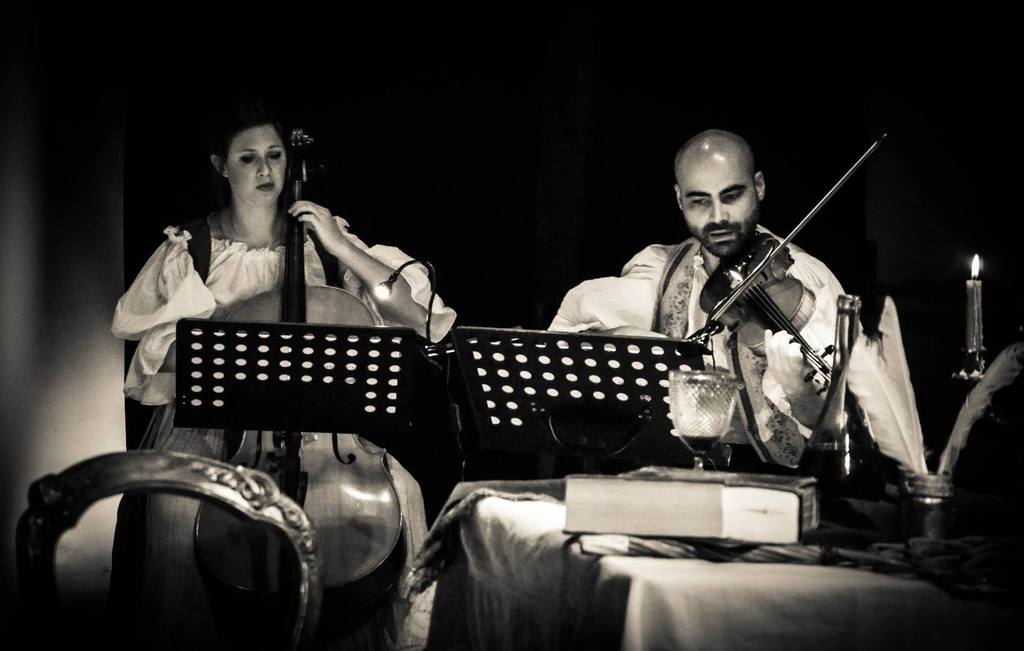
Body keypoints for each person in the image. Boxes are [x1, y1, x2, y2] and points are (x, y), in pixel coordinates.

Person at [110, 97, 456, 649]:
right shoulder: (192, 249)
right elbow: (160, 356)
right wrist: (229, 343)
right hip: (217, 429)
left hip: (326, 430)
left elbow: (416, 317)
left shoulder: (326, 243)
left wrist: (340, 245)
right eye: (248, 158)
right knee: (175, 511)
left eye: (274, 155)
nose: (266, 169)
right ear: (221, 166)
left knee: (406, 494)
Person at [549, 129, 844, 468]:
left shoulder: (803, 277)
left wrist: (798, 388)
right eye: (700, 201)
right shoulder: (661, 268)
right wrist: (626, 339)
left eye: (731, 196)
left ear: (759, 186)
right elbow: (572, 322)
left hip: (775, 474)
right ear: (679, 199)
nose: (718, 217)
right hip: (680, 466)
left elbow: (836, 424)